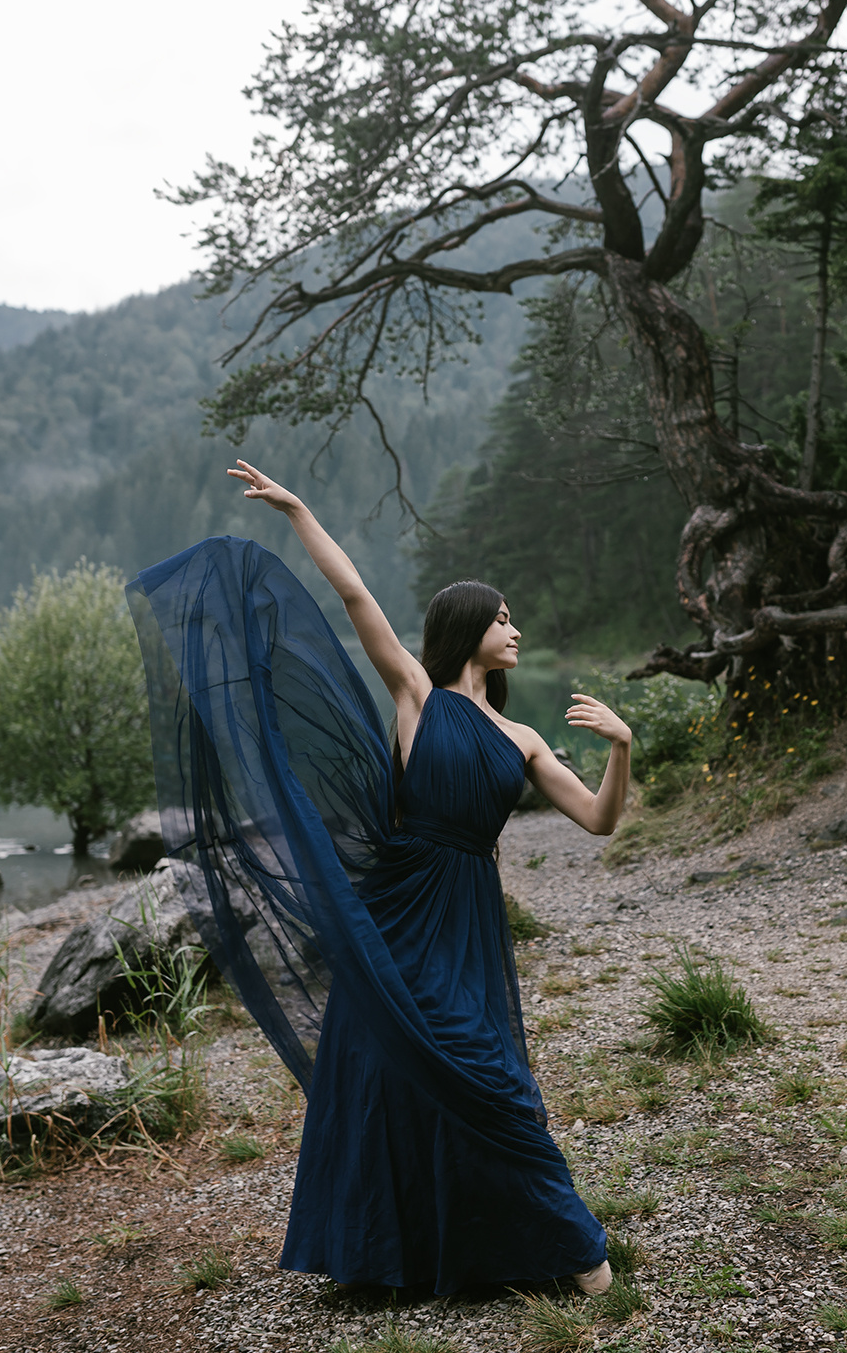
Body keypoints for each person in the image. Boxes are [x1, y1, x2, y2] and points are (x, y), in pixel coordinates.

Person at [124, 459, 633, 1297]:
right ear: (467, 628)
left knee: (493, 1077)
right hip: (402, 905)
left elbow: (601, 820)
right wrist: (297, 513)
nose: (514, 630)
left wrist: (620, 748)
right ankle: (395, 1253)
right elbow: (357, 597)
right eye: (501, 618)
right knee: (387, 1072)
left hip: (469, 915)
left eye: (513, 619)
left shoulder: (525, 738)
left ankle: (554, 1250)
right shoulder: (418, 697)